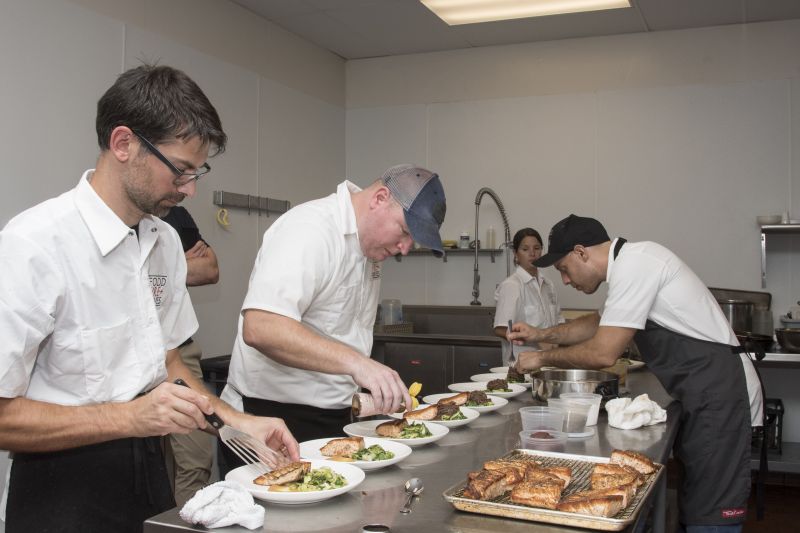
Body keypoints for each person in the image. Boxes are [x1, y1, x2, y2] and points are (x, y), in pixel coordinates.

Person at [0, 64, 298, 533]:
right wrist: (130, 417)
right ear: (123, 144)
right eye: (180, 170)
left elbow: (169, 362)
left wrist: (236, 421)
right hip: (61, 491)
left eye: (198, 172)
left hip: (150, 473)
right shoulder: (34, 246)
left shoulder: (162, 243)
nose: (189, 189)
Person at [508, 214, 763, 532]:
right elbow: (596, 324)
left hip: (721, 394)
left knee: (711, 513)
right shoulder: (631, 265)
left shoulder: (637, 264)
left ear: (581, 252)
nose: (566, 280)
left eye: (563, 269)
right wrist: (540, 333)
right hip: (704, 394)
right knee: (698, 501)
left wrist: (542, 359)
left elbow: (603, 352)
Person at [220, 164, 447, 455]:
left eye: (411, 242)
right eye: (404, 232)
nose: (404, 248)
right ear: (379, 198)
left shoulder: (369, 251)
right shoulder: (311, 230)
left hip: (332, 417)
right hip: (271, 419)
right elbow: (261, 327)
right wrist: (358, 364)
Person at [160, 206, 219, 507]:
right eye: (181, 172)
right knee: (151, 469)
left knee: (195, 458)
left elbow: (209, 269)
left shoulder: (174, 218)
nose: (188, 189)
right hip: (136, 364)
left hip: (178, 353)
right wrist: (178, 266)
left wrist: (165, 267)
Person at [493, 227, 563, 364]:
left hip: (550, 362)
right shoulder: (512, 285)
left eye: (537, 248)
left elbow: (559, 322)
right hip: (521, 366)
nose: (532, 253)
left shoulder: (549, 285)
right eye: (525, 249)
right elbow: (500, 329)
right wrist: (537, 339)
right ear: (515, 254)